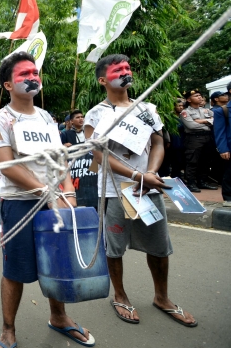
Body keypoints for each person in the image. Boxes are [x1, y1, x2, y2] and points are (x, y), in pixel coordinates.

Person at [0, 52, 94, 348]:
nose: (33, 77)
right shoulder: (0, 120)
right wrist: (47, 194)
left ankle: (59, 317)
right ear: (7, 85)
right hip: (19, 203)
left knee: (58, 260)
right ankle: (8, 328)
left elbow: (59, 157)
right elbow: (8, 167)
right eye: (23, 74)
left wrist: (67, 192)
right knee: (15, 270)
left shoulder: (47, 117)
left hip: (57, 201)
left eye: (35, 72)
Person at [84, 54, 196, 328]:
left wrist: (149, 174)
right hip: (114, 191)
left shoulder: (146, 109)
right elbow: (98, 154)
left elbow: (158, 142)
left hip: (148, 188)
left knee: (159, 246)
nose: (125, 71)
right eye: (118, 69)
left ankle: (162, 297)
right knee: (115, 247)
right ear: (102, 80)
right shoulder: (96, 114)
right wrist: (136, 175)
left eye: (127, 67)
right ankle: (120, 296)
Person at [180, 89, 217, 192]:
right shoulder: (185, 112)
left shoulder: (206, 110)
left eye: (200, 95)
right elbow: (191, 125)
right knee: (192, 161)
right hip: (194, 138)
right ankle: (191, 183)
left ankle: (202, 181)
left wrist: (201, 121)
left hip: (207, 137)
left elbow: (215, 120)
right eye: (196, 96)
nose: (199, 97)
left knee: (206, 161)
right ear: (188, 99)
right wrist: (208, 121)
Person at [212, 90, 231, 206]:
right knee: (229, 173)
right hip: (229, 146)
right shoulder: (223, 110)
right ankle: (228, 198)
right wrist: (223, 149)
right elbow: (219, 131)